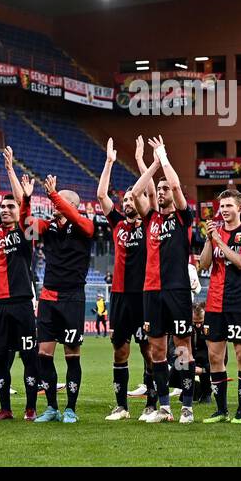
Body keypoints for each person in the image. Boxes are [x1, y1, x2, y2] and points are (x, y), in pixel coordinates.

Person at [137, 136, 198, 424]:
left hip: (177, 290)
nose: (162, 192)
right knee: (157, 350)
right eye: (158, 189)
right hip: (151, 290)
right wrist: (152, 166)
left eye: (165, 189)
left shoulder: (185, 218)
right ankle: (164, 408)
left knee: (183, 347)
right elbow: (137, 192)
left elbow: (174, 185)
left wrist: (163, 156)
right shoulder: (150, 219)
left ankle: (187, 405)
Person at [30, 169, 97, 425]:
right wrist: (26, 200)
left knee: (72, 355)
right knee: (44, 355)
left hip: (72, 299)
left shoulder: (86, 227)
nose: (54, 204)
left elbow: (71, 216)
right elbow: (26, 230)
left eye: (60, 201)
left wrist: (53, 195)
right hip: (48, 298)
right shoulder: (47, 228)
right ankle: (51, 408)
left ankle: (70, 408)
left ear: (73, 206)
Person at [0, 146, 41, 420]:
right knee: (1, 359)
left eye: (10, 206)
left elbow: (25, 205)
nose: (5, 210)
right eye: (2, 207)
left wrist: (10, 171)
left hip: (21, 304)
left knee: (29, 357)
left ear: (20, 210)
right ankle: (5, 408)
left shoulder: (29, 231)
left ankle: (30, 408)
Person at [98, 139, 156, 421]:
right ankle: (121, 406)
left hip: (142, 295)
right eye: (126, 200)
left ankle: (152, 405)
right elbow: (100, 196)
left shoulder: (149, 223)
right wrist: (109, 162)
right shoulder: (118, 224)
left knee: (149, 350)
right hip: (119, 295)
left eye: (133, 199)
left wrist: (145, 161)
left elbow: (147, 192)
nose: (128, 202)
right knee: (119, 350)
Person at [197, 190, 241, 423]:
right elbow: (204, 265)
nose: (224, 210)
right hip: (214, 303)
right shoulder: (215, 233)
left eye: (228, 206)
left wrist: (220, 241)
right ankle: (221, 410)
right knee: (215, 358)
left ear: (239, 208)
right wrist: (208, 239)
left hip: (238, 302)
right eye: (221, 206)